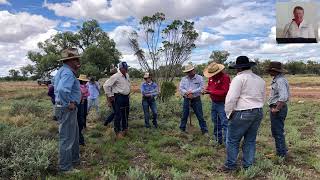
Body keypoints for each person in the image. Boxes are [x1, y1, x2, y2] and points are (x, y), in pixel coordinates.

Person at [220, 56, 266, 172]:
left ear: (238, 68)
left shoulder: (239, 79)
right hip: (258, 111)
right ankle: (248, 165)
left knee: (232, 140)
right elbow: (263, 97)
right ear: (249, 66)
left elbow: (231, 98)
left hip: (243, 112)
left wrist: (229, 113)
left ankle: (231, 165)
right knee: (250, 140)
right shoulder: (260, 80)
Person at [54, 48, 81, 173]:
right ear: (70, 60)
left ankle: (74, 160)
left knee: (73, 136)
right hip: (67, 109)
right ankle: (65, 167)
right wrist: (68, 103)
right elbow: (61, 90)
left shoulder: (65, 71)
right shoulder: (67, 73)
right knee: (67, 138)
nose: (78, 61)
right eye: (76, 59)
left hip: (68, 108)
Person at [266, 61, 290, 158]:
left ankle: (281, 154)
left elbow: (283, 97)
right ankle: (281, 151)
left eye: (270, 70)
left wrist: (276, 109)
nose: (269, 72)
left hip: (278, 108)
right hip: (278, 107)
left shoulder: (280, 81)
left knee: (277, 131)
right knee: (276, 131)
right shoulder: (278, 79)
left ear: (274, 71)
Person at [203, 62, 230, 145]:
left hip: (223, 103)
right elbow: (209, 87)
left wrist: (211, 91)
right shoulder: (211, 78)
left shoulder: (225, 78)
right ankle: (218, 140)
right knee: (216, 121)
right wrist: (206, 90)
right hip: (214, 102)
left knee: (224, 122)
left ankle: (227, 142)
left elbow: (225, 91)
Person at [179, 63, 209, 135]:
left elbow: (202, 88)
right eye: (188, 72)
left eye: (190, 71)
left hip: (196, 99)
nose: (189, 73)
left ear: (193, 70)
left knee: (200, 115)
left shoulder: (199, 78)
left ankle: (204, 131)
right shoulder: (183, 79)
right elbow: (181, 88)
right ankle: (182, 129)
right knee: (184, 115)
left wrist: (191, 92)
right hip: (186, 99)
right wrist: (187, 93)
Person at [104, 62, 131, 140]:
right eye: (125, 68)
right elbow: (106, 86)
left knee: (126, 113)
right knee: (118, 115)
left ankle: (125, 129)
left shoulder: (127, 75)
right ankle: (117, 132)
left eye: (127, 68)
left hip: (126, 97)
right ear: (120, 68)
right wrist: (110, 95)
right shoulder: (116, 76)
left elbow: (128, 84)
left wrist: (128, 92)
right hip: (118, 97)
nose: (126, 69)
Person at [77, 74, 90, 145]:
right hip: (80, 102)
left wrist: (83, 95)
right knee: (80, 117)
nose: (85, 82)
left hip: (83, 101)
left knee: (84, 114)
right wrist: (83, 95)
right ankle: (80, 139)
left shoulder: (85, 86)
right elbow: (84, 93)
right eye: (84, 81)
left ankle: (83, 126)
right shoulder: (79, 87)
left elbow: (88, 94)